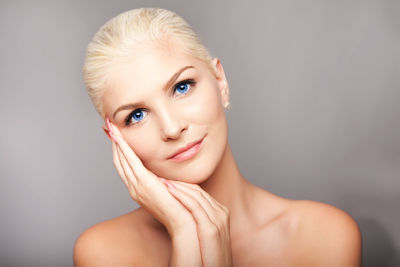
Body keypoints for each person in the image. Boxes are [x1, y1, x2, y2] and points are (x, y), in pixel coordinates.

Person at [73, 7, 362, 266]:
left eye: (182, 87)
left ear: (220, 82)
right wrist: (186, 234)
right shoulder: (103, 252)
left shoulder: (324, 237)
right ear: (115, 138)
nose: (172, 129)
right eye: (136, 115)